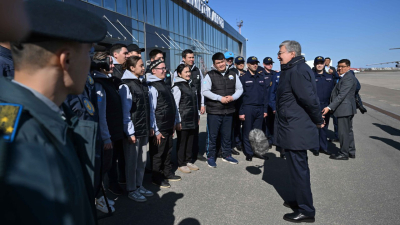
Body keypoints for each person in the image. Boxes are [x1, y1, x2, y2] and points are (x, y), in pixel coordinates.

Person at [0, 0, 107, 223]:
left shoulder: (51, 114)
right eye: (89, 53)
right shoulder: (20, 135)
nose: (91, 63)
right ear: (66, 60)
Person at [275, 40, 324, 223]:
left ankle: (306, 210)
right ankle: (300, 200)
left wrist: (318, 120)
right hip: (291, 127)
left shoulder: (298, 70)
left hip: (296, 129)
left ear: (292, 54)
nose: (278, 55)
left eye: (281, 52)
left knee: (299, 169)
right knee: (295, 169)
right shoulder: (292, 69)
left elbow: (310, 99)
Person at [119, 56, 154, 202]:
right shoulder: (125, 86)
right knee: (132, 162)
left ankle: (139, 185)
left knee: (142, 160)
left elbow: (149, 108)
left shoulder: (142, 84)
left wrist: (151, 126)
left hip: (144, 128)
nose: (143, 67)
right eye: (140, 65)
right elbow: (125, 112)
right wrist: (129, 132)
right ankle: (131, 189)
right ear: (132, 68)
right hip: (133, 131)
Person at [93, 51, 126, 196]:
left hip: (114, 129)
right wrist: (106, 137)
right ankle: (102, 192)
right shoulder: (99, 84)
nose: (113, 65)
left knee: (113, 161)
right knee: (107, 164)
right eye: (110, 63)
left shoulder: (109, 81)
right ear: (101, 65)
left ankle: (113, 184)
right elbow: (101, 113)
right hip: (108, 132)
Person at [202, 52, 243, 168]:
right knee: (213, 136)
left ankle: (227, 154)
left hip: (229, 111)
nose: (221, 64)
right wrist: (219, 98)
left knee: (227, 135)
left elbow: (240, 89)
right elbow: (205, 91)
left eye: (222, 62)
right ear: (214, 65)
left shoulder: (233, 74)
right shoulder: (209, 75)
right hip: (214, 111)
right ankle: (210, 156)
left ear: (225, 61)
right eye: (218, 63)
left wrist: (232, 97)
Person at [147, 59, 181, 188]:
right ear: (153, 70)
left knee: (168, 150)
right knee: (158, 153)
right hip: (159, 126)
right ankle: (156, 177)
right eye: (161, 68)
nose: (164, 70)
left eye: (165, 68)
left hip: (168, 124)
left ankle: (167, 172)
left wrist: (173, 122)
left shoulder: (164, 84)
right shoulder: (152, 86)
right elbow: (152, 110)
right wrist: (155, 129)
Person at [173, 49, 205, 161]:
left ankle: (194, 155)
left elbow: (202, 87)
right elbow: (176, 93)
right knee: (183, 137)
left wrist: (202, 104)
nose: (192, 59)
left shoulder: (197, 70)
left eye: (193, 57)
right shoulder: (178, 71)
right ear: (183, 58)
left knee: (194, 133)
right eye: (189, 57)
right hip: (184, 110)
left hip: (194, 106)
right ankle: (182, 159)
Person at [322, 59, 357, 160]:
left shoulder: (348, 78)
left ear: (348, 67)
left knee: (343, 132)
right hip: (346, 108)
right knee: (348, 131)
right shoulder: (345, 77)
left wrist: (329, 107)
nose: (340, 68)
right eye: (339, 66)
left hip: (344, 109)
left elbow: (341, 96)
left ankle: (344, 153)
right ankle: (351, 151)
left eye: (342, 66)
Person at [239, 56, 269, 161]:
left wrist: (265, 110)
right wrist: (241, 112)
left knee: (258, 132)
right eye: (252, 63)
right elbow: (240, 97)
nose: (255, 65)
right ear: (248, 65)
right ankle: (249, 152)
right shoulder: (243, 78)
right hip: (248, 108)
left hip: (260, 108)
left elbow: (265, 95)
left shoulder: (261, 77)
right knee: (248, 131)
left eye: (256, 63)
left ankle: (257, 152)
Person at [173, 64, 200, 173]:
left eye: (189, 71)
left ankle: (188, 160)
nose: (188, 74)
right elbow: (175, 105)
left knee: (190, 140)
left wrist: (197, 115)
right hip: (183, 119)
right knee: (182, 141)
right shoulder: (177, 87)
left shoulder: (191, 85)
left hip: (192, 118)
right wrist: (177, 120)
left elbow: (196, 103)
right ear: (179, 74)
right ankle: (181, 163)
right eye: (185, 72)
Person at [312, 56, 335, 156]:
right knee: (315, 127)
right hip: (315, 106)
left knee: (324, 127)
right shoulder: (311, 77)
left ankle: (324, 147)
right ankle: (316, 147)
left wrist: (331, 107)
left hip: (326, 106)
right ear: (315, 65)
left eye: (321, 63)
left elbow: (334, 92)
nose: (320, 65)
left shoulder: (329, 77)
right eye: (318, 63)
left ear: (324, 64)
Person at [229, 56, 246, 153]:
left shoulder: (246, 73)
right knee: (232, 125)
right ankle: (231, 145)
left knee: (240, 125)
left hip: (243, 103)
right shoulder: (232, 73)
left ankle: (239, 142)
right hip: (234, 103)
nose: (241, 64)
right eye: (239, 63)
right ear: (235, 64)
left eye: (242, 63)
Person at [262, 57, 278, 146]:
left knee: (273, 122)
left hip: (273, 102)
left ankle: (273, 138)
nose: (270, 65)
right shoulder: (261, 75)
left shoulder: (274, 74)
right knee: (266, 122)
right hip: (265, 102)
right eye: (268, 64)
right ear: (264, 64)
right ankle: (267, 138)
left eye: (271, 63)